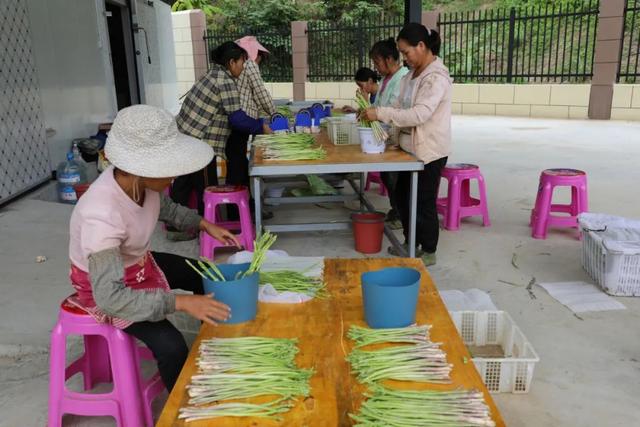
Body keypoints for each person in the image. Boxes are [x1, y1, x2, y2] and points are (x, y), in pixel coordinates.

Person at [68, 105, 241, 391]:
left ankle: (213, 348)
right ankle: (182, 408)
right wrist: (180, 302)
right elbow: (110, 297)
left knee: (206, 275)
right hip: (109, 286)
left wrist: (204, 224)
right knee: (172, 348)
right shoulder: (100, 215)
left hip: (136, 264)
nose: (173, 176)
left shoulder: (143, 186)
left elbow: (167, 208)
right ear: (139, 169)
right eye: (167, 169)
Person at [361, 23, 452, 267]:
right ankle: (412, 243)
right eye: (402, 53)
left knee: (423, 200)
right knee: (403, 197)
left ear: (421, 46)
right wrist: (389, 136)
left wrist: (380, 113)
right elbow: (401, 109)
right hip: (409, 149)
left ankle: (428, 249)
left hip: (429, 150)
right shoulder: (412, 76)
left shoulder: (436, 77)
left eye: (407, 52)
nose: (405, 58)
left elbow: (420, 114)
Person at [170, 41, 272, 239]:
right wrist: (261, 126)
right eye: (242, 62)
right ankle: (204, 228)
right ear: (231, 62)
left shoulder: (213, 74)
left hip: (185, 136)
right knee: (205, 187)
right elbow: (237, 118)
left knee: (184, 181)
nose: (243, 67)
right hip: (198, 142)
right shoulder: (224, 80)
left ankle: (176, 227)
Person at [226, 36, 277, 220]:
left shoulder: (236, 65)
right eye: (259, 57)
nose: (259, 61)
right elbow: (260, 92)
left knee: (238, 163)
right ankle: (240, 211)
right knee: (239, 167)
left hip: (236, 120)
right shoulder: (250, 64)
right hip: (241, 121)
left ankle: (242, 208)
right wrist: (275, 113)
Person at [369, 38, 410, 230]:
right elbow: (379, 106)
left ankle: (401, 214)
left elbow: (394, 108)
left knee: (395, 179)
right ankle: (397, 211)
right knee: (388, 176)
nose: (376, 67)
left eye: (377, 62)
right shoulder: (385, 80)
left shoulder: (403, 77)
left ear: (388, 59)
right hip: (385, 137)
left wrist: (377, 113)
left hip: (395, 136)